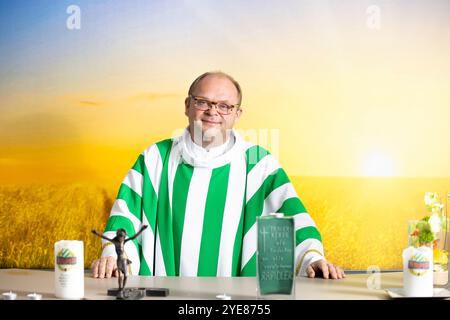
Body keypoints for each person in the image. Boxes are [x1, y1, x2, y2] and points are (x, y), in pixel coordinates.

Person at [91, 71, 345, 280]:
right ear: (188, 106)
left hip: (237, 300)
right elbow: (126, 213)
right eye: (203, 102)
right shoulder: (156, 157)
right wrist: (115, 254)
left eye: (224, 106)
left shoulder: (258, 163)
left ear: (237, 114)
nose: (213, 112)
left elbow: (292, 218)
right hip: (165, 293)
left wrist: (313, 258)